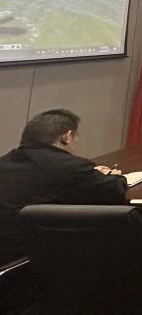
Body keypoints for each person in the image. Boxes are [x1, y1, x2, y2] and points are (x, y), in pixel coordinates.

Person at [0, 109, 127, 264]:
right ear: (66, 137)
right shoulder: (70, 167)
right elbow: (115, 190)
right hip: (27, 262)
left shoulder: (4, 162)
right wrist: (113, 175)